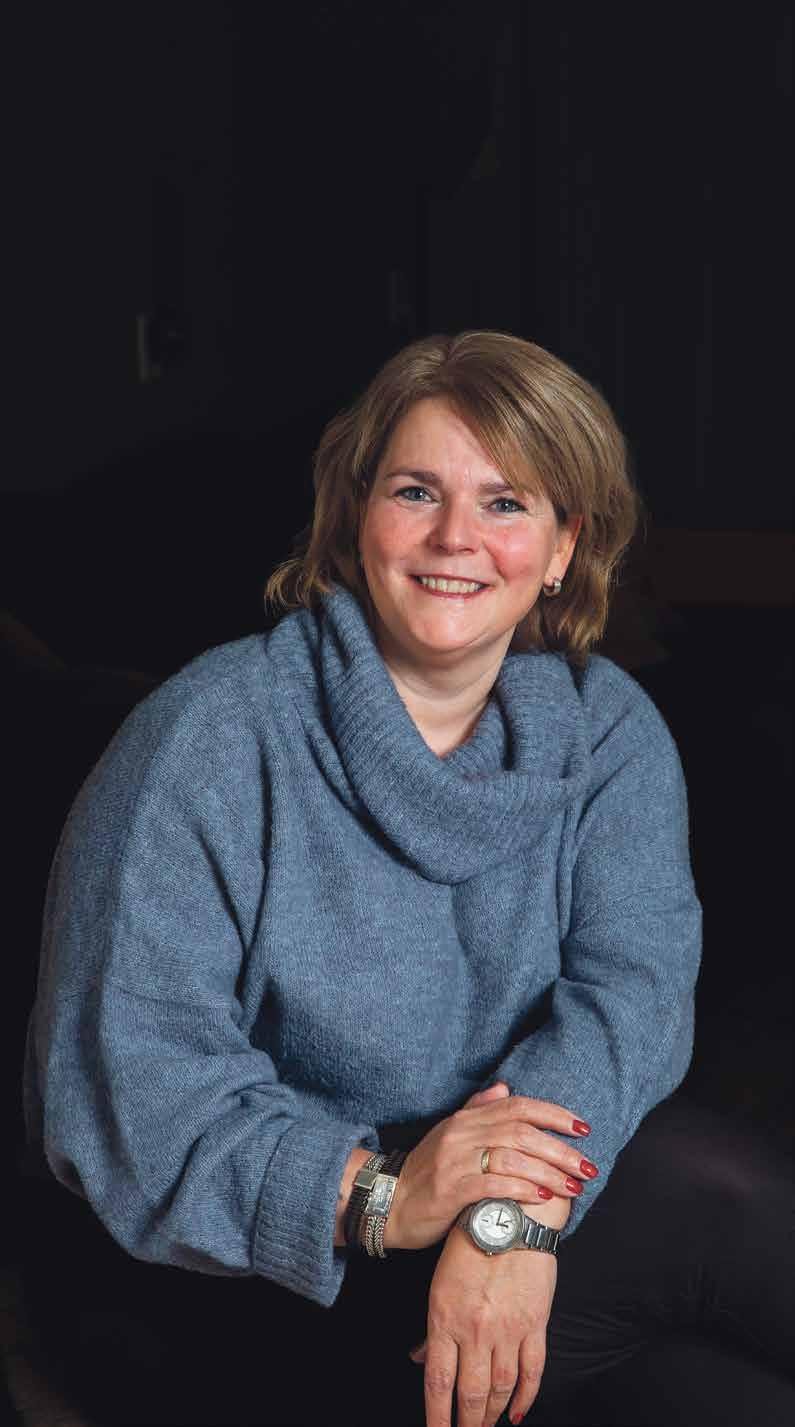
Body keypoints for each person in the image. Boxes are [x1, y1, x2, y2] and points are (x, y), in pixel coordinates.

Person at [22, 331, 794, 1427]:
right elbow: (131, 1098)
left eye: (506, 503)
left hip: (495, 1244)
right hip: (253, 1270)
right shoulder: (207, 737)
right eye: (416, 491)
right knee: (693, 1192)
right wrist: (385, 1195)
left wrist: (506, 1221)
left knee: (725, 1390)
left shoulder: (608, 732)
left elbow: (631, 995)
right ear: (354, 516)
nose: (454, 537)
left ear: (564, 545)